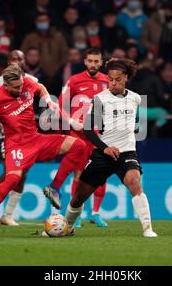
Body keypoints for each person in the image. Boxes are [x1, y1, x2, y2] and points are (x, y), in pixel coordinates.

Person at [0, 65, 89, 238]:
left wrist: (48, 100)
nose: (20, 89)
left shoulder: (27, 83)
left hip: (36, 139)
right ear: (6, 86)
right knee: (13, 179)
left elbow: (39, 88)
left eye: (21, 85)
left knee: (79, 146)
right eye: (15, 87)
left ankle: (54, 187)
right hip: (17, 145)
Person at [64, 58, 158, 238]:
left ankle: (148, 228)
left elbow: (133, 121)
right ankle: (66, 227)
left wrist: (132, 127)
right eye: (110, 79)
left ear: (126, 78)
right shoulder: (100, 99)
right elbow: (88, 129)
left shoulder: (135, 98)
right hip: (103, 153)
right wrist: (104, 147)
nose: (113, 83)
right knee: (78, 197)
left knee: (135, 182)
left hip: (127, 152)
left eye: (117, 79)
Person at [57, 48, 109, 228]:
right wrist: (71, 120)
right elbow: (60, 105)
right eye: (90, 61)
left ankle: (95, 213)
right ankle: (76, 213)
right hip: (79, 135)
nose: (93, 64)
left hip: (100, 135)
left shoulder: (107, 81)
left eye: (97, 61)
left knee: (101, 174)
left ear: (101, 62)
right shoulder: (74, 80)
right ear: (85, 62)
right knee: (79, 174)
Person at [0, 49, 37, 226]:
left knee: (22, 174)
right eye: (13, 59)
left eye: (20, 59)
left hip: (29, 135)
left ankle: (7, 215)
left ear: (24, 62)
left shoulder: (33, 81)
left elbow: (39, 106)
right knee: (10, 172)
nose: (16, 61)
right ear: (8, 62)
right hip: (8, 134)